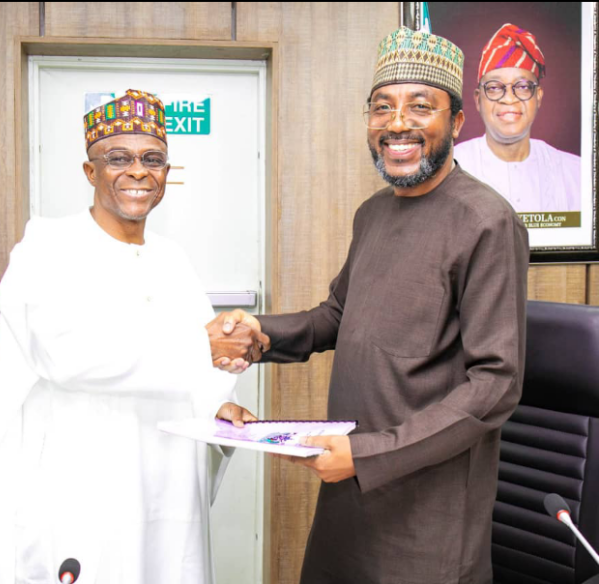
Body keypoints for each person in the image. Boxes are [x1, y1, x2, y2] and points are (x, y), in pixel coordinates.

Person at [213, 28, 529, 584]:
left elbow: (496, 383)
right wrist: (259, 332)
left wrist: (369, 455)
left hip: (426, 507)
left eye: (420, 106)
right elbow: (337, 316)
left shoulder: (487, 221)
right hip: (349, 489)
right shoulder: (373, 212)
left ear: (456, 122)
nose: (397, 123)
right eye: (382, 107)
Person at [0, 89, 264, 584]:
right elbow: (67, 356)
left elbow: (200, 369)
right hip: (80, 493)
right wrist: (201, 348)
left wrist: (220, 406)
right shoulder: (46, 248)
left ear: (167, 172)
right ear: (90, 171)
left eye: (153, 159)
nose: (138, 172)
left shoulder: (173, 260)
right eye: (118, 158)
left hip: (166, 489)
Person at [455, 23, 581, 212]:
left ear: (538, 97)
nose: (509, 98)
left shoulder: (575, 173)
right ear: (478, 100)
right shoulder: (452, 169)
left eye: (522, 86)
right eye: (495, 87)